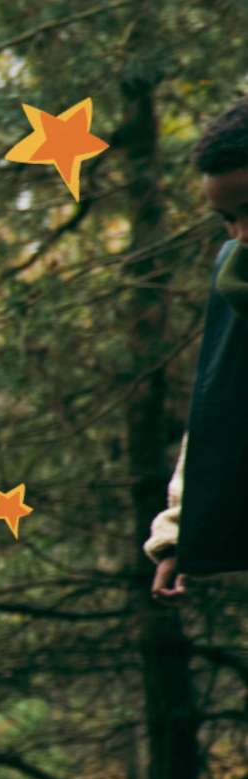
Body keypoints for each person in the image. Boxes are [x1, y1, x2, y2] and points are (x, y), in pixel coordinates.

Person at [147, 93, 248, 601]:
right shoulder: (236, 276)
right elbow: (219, 406)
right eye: (228, 218)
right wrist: (181, 531)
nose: (242, 233)